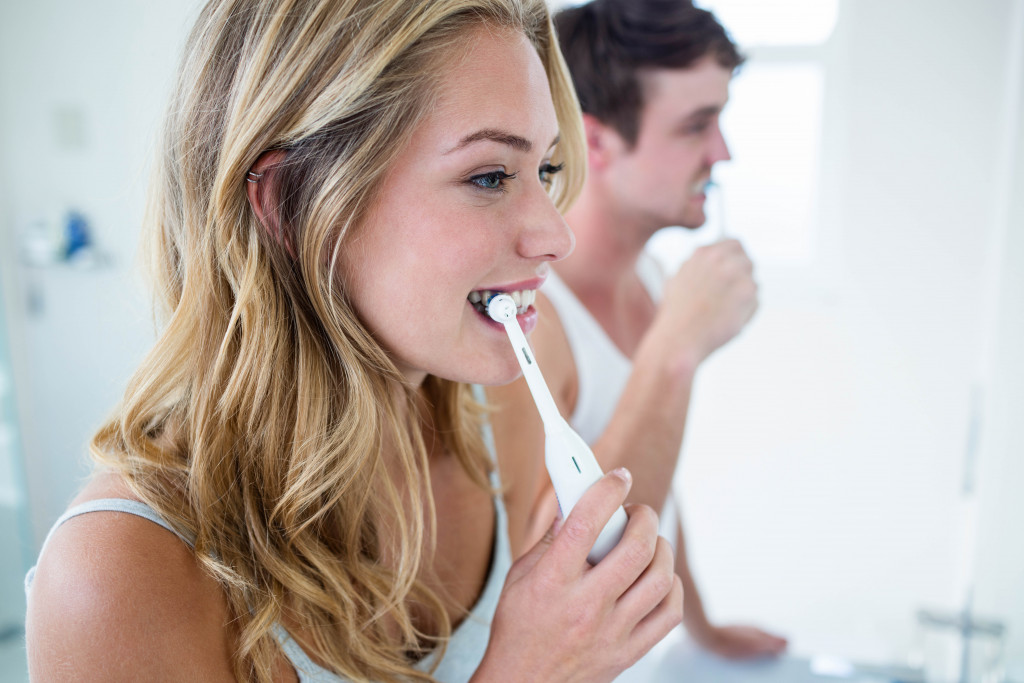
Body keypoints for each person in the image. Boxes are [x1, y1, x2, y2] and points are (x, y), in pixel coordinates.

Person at [23, 1, 683, 680]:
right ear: (292, 202)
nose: (555, 235)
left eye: (544, 171)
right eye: (489, 176)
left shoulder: (498, 423)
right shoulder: (116, 578)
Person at [487, 0, 788, 660]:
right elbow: (559, 566)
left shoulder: (652, 276)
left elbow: (654, 472)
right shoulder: (531, 320)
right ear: (595, 142)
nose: (723, 151)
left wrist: (705, 629)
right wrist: (675, 351)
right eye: (696, 125)